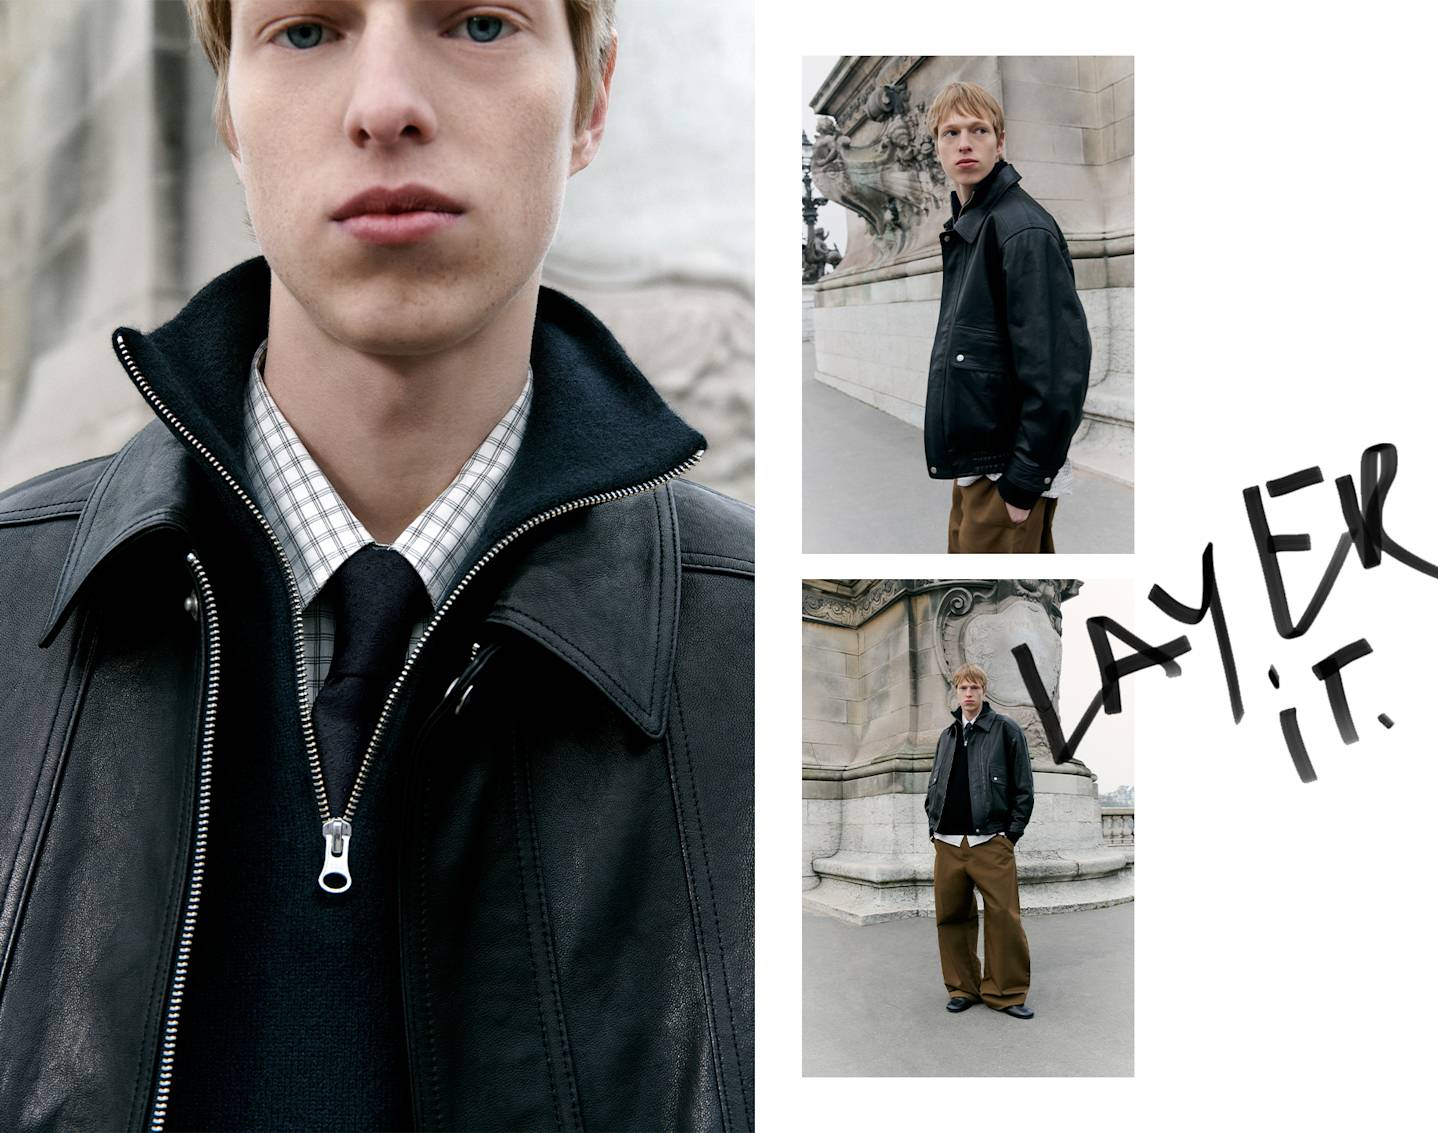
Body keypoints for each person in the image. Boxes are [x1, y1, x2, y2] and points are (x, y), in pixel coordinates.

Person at [0, 2, 753, 1130]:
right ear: (229, 113)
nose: (386, 107)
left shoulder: (761, 647)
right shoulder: (14, 604)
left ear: (592, 100)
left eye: (479, 22)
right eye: (307, 31)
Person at [921, 81, 1091, 554]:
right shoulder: (974, 225)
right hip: (978, 470)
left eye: (978, 130)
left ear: (1000, 142)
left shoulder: (1020, 228)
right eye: (951, 133)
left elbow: (1058, 369)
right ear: (937, 147)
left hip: (1004, 477)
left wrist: (1023, 481)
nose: (965, 143)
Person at [924, 664, 1035, 1017]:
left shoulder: (1005, 729)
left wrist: (1010, 834)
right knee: (951, 918)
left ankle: (1007, 992)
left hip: (990, 841)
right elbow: (935, 785)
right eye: (963, 688)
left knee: (1004, 919)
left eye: (974, 687)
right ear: (955, 692)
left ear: (984, 691)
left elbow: (1023, 787)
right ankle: (962, 988)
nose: (968, 694)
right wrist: (933, 828)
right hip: (948, 843)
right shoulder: (947, 736)